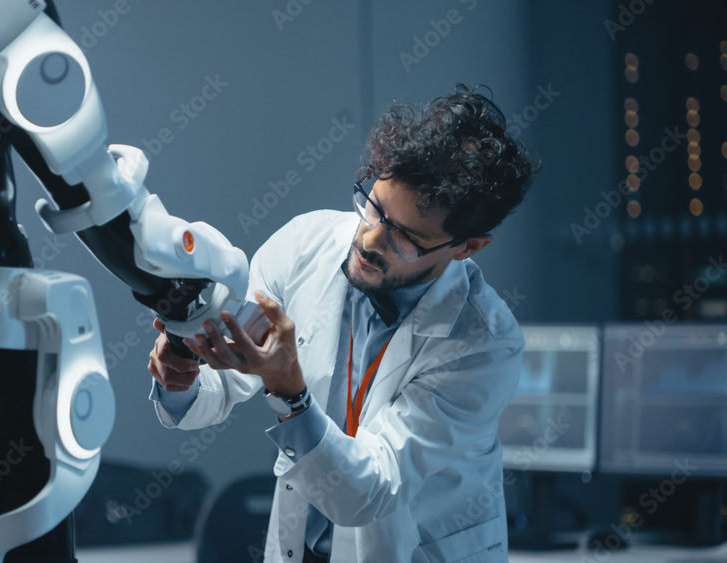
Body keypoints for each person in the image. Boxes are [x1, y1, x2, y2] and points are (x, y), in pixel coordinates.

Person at [146, 85, 539, 563]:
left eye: (407, 237)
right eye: (374, 207)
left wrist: (292, 395)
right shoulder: (305, 245)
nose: (370, 239)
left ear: (467, 247)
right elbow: (219, 387)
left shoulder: (483, 345)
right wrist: (182, 374)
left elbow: (369, 491)